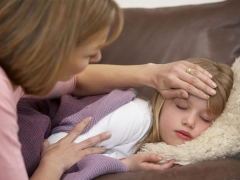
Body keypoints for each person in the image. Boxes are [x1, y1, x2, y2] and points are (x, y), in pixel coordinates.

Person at [0, 0, 217, 180]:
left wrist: (152, 73)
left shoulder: (20, 78)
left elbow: (76, 81)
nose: (97, 59)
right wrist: (53, 163)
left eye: (207, 119)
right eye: (89, 53)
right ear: (54, 43)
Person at [48, 57, 233, 172]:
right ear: (162, 99)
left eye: (205, 118)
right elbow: (57, 148)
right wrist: (123, 164)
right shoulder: (137, 116)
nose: (189, 122)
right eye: (181, 106)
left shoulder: (164, 147)